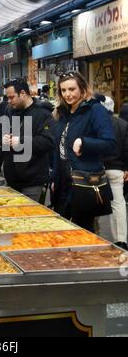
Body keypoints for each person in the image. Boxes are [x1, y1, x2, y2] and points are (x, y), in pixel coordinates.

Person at [52, 72, 116, 232]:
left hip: (84, 183)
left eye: (72, 89)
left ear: (82, 88)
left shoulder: (95, 110)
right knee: (61, 231)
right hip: (62, 184)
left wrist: (84, 142)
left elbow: (110, 143)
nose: (67, 94)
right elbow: (59, 148)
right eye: (63, 90)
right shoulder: (63, 113)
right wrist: (54, 177)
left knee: (83, 232)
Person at [2, 79, 55, 202]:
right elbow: (5, 134)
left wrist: (21, 142)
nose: (9, 101)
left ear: (23, 93)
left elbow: (48, 141)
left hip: (32, 182)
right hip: (11, 180)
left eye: (11, 97)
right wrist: (5, 138)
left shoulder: (42, 113)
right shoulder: (10, 110)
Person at [101, 96, 128, 250]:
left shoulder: (96, 123)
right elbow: (126, 148)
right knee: (118, 203)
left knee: (93, 201)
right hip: (116, 169)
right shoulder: (122, 124)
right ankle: (120, 239)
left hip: (96, 169)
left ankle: (94, 232)